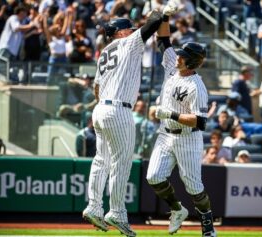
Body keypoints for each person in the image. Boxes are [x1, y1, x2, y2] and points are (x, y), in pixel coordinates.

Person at [82, 3, 178, 237]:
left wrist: (103, 107)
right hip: (118, 110)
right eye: (129, 28)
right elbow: (152, 24)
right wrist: (164, 11)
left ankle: (93, 206)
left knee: (100, 160)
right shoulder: (126, 42)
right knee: (121, 163)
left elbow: (96, 88)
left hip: (101, 108)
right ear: (120, 32)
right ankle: (116, 211)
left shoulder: (104, 53)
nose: (133, 30)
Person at [146, 18, 217, 237]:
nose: (178, 57)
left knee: (194, 187)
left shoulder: (197, 86)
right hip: (165, 135)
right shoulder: (172, 66)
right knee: (154, 176)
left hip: (188, 138)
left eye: (183, 56)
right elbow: (164, 41)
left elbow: (201, 121)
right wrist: (165, 18)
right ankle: (177, 209)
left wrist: (170, 114)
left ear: (192, 62)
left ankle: (208, 227)